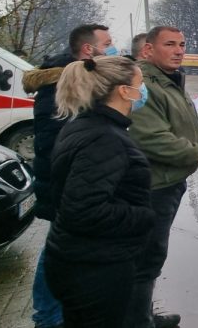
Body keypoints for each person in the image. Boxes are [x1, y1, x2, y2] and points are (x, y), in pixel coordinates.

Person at [44, 56, 155, 328]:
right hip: (95, 268)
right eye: (139, 84)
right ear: (124, 91)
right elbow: (83, 210)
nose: (142, 92)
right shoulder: (104, 138)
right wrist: (143, 216)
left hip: (77, 259)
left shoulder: (86, 126)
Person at [125, 26, 198, 328]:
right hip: (153, 184)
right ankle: (138, 323)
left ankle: (144, 316)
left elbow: (180, 116)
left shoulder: (167, 78)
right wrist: (197, 155)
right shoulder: (141, 83)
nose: (179, 50)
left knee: (152, 257)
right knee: (146, 259)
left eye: (182, 44)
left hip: (167, 181)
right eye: (170, 44)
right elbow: (150, 136)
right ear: (148, 50)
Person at [23, 24, 115, 328]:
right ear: (89, 49)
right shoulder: (61, 84)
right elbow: (55, 141)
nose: (112, 48)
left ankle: (61, 312)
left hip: (73, 182)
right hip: (63, 183)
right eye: (108, 43)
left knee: (66, 249)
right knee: (56, 251)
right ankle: (47, 318)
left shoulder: (81, 78)